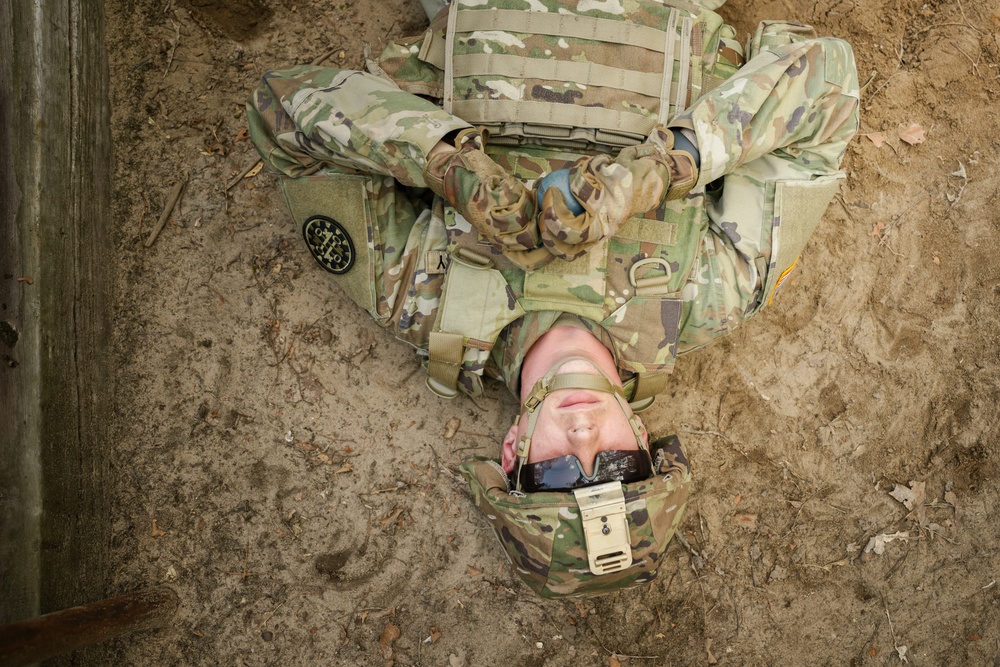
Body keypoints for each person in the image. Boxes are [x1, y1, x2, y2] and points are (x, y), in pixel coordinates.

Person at [246, 0, 860, 598]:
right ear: (641, 438)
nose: (585, 436)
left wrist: (447, 166)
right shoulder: (708, 295)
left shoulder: (423, 300)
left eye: (560, 473)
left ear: (513, 452)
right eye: (616, 467)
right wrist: (655, 171)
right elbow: (827, 83)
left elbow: (283, 110)